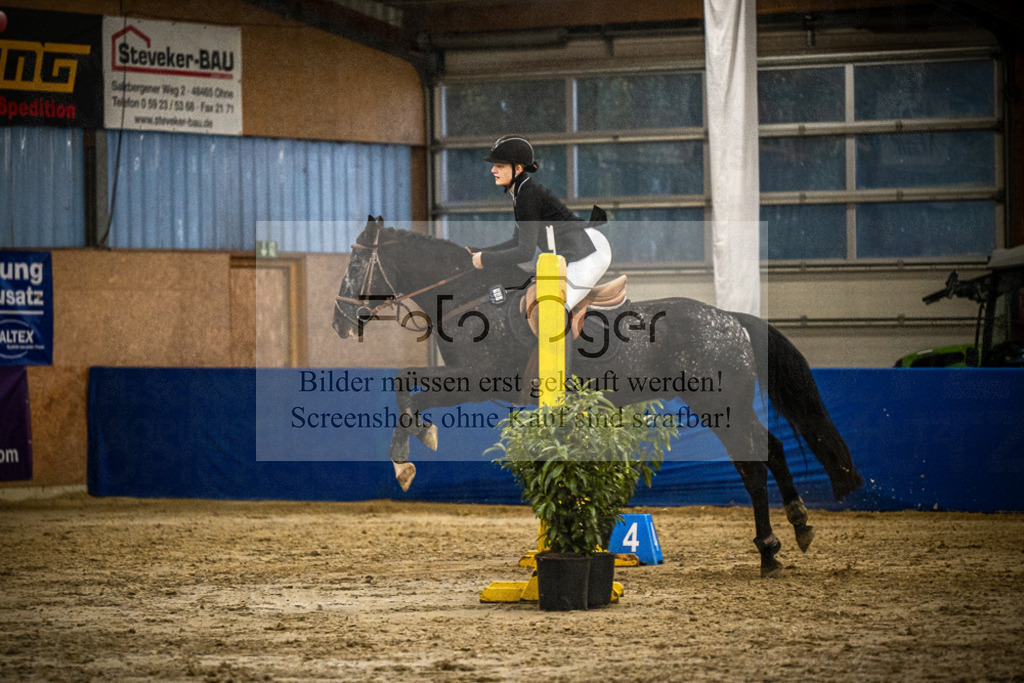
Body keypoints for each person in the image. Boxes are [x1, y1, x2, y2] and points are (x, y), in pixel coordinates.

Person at [469, 135, 612, 310]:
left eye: (500, 165)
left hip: (587, 252)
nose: (493, 170)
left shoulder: (527, 196)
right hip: (577, 250)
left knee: (551, 310)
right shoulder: (522, 192)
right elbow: (516, 242)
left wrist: (486, 258)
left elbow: (526, 252)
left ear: (518, 169)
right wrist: (481, 252)